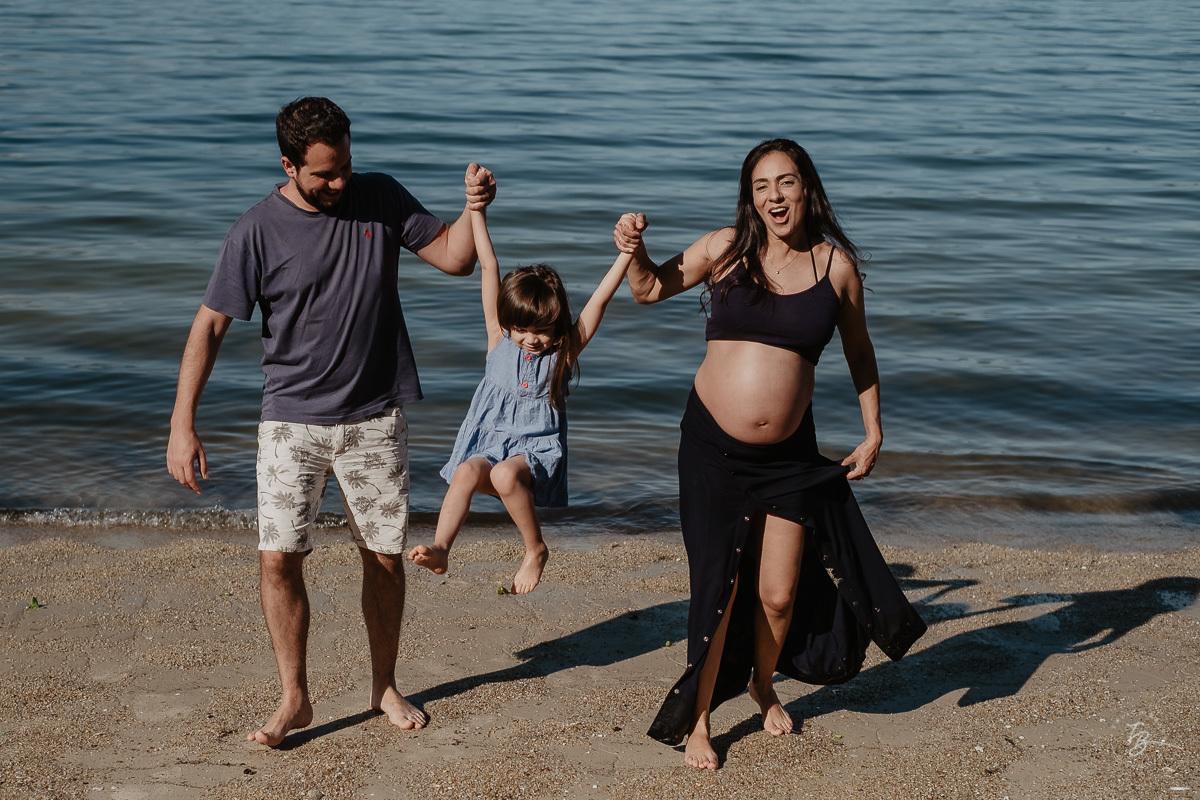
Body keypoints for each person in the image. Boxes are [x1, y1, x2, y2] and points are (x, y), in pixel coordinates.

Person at [165, 96, 497, 746]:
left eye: (345, 166)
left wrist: (475, 208)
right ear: (289, 164)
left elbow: (456, 259)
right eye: (324, 174)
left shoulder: (380, 196)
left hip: (376, 418)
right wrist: (183, 423)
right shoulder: (256, 230)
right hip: (291, 422)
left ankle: (383, 686)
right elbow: (209, 324)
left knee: (385, 558)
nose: (340, 182)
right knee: (278, 561)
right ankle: (295, 697)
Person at [613, 138, 926, 770]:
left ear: (807, 188)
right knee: (719, 592)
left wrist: (873, 430)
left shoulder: (835, 268)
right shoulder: (724, 248)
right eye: (761, 186)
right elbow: (647, 290)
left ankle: (761, 682)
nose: (774, 197)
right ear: (749, 195)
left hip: (789, 457)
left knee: (778, 595)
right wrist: (633, 249)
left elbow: (859, 352)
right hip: (710, 451)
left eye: (785, 183)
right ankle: (699, 719)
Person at [409, 207, 631, 592]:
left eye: (542, 330)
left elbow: (597, 302)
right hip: (490, 441)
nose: (531, 339)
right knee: (465, 472)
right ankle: (442, 547)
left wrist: (628, 251)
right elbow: (489, 265)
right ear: (507, 323)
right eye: (521, 329)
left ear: (557, 326)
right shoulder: (498, 338)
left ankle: (535, 549)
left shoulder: (563, 352)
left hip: (534, 450)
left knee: (504, 474)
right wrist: (476, 210)